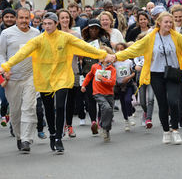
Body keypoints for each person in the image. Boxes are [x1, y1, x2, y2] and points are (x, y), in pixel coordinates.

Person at [0, 12, 114, 153]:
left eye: (50, 23)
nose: (47, 26)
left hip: (62, 78)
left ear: (56, 24)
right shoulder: (38, 39)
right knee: (49, 109)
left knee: (60, 107)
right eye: (45, 24)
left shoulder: (65, 38)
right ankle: (53, 135)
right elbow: (22, 53)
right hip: (44, 80)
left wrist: (103, 54)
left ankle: (59, 138)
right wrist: (6, 65)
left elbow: (85, 47)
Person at [108, 12, 182, 145]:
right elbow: (134, 49)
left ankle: (175, 130)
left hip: (173, 74)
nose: (169, 24)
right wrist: (116, 57)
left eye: (171, 22)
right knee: (163, 104)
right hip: (156, 74)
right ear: (159, 23)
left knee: (174, 102)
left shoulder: (177, 37)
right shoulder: (150, 38)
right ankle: (166, 131)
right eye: (166, 22)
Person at [0, 8, 40, 153]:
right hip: (12, 79)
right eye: (21, 18)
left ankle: (26, 139)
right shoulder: (6, 34)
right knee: (16, 111)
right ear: (16, 19)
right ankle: (19, 136)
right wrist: (5, 69)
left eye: (26, 18)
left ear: (30, 18)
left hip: (30, 76)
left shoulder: (36, 33)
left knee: (29, 108)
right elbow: (1, 54)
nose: (24, 21)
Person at [81, 19, 112, 134]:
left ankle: (100, 120)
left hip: (101, 73)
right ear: (88, 30)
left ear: (99, 30)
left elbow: (111, 55)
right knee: (90, 98)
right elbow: (81, 58)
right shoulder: (84, 42)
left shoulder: (104, 41)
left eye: (95, 28)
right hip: (88, 72)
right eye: (91, 28)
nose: (93, 30)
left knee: (101, 98)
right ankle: (93, 121)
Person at [81, 46, 116, 142]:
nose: (101, 57)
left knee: (109, 113)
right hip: (98, 92)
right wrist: (84, 85)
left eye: (104, 55)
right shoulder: (94, 67)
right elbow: (89, 76)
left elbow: (112, 83)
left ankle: (106, 129)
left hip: (109, 93)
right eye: (100, 55)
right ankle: (103, 127)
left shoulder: (112, 69)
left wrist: (102, 79)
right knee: (107, 108)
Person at [57, 9, 80, 138]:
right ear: (58, 20)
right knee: (59, 102)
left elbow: (81, 53)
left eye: (67, 18)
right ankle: (59, 127)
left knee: (71, 100)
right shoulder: (54, 34)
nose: (65, 20)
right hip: (58, 72)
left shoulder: (76, 34)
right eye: (62, 18)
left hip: (73, 69)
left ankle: (69, 125)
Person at [114, 43, 136, 131]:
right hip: (119, 86)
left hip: (128, 85)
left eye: (122, 49)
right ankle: (126, 121)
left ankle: (130, 116)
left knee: (127, 100)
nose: (120, 51)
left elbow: (134, 72)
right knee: (123, 103)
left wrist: (128, 77)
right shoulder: (114, 62)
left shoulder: (129, 61)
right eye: (118, 49)